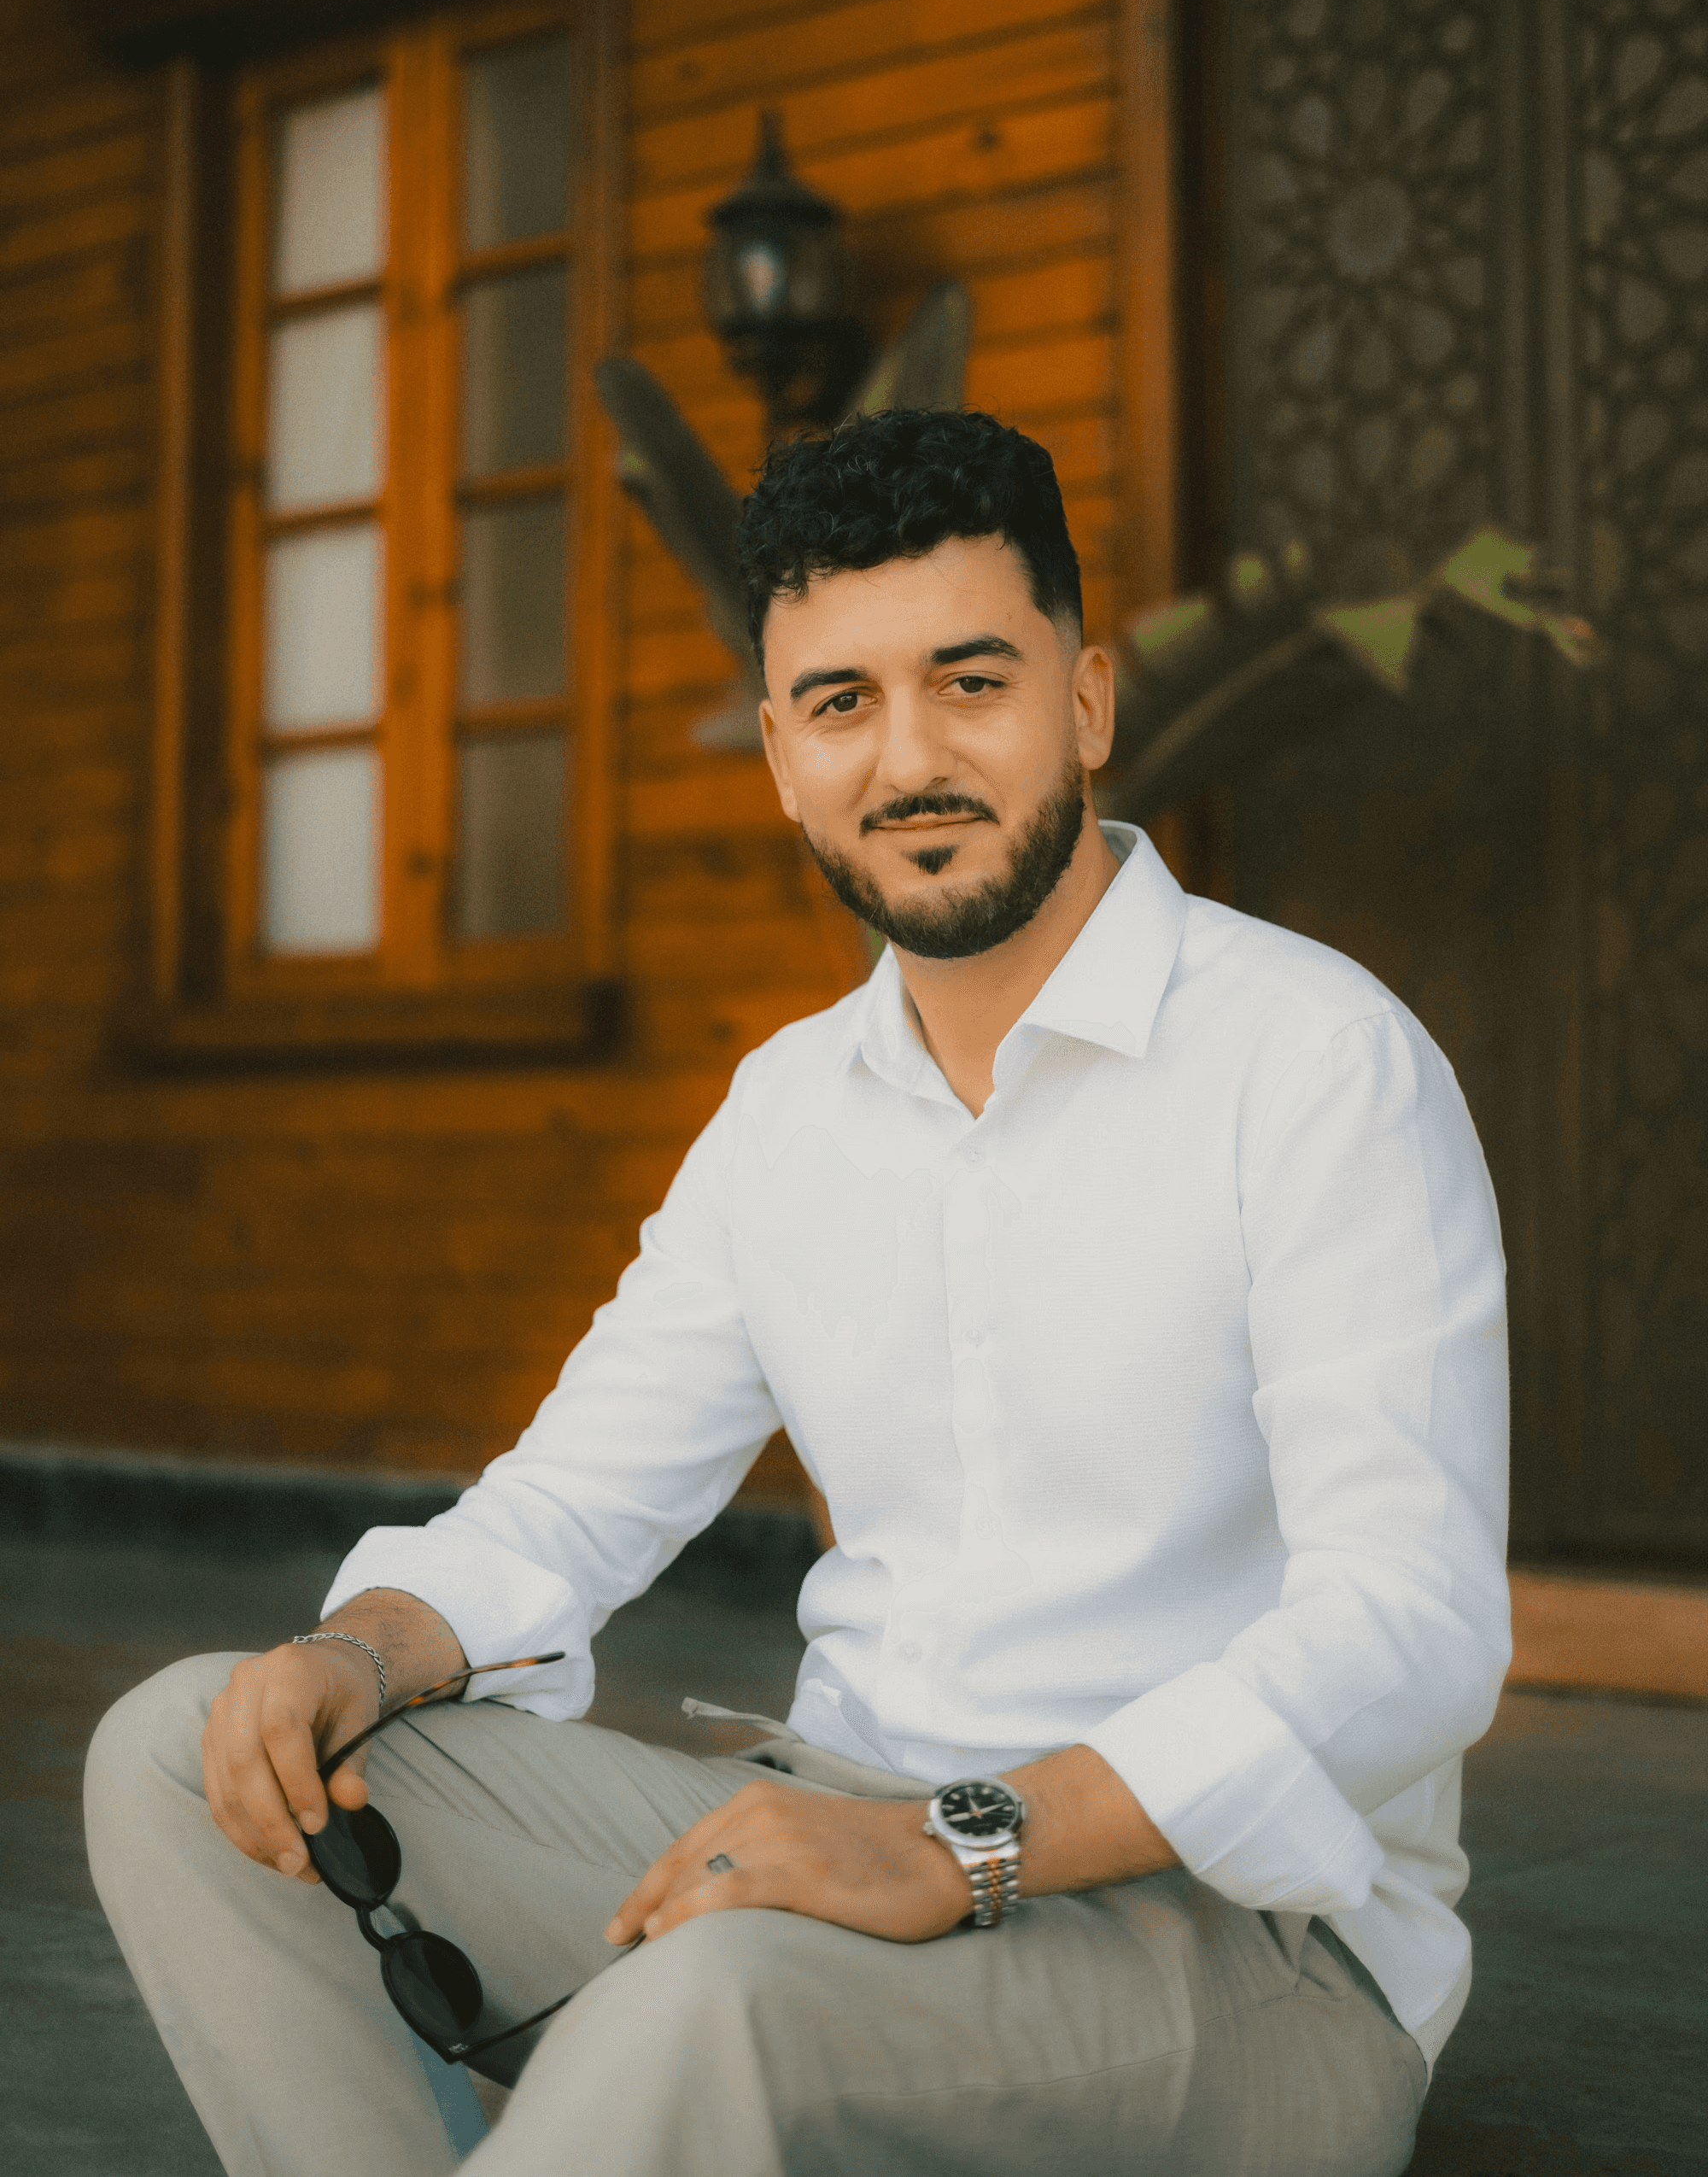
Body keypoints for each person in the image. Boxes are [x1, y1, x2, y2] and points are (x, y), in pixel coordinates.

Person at [86, 409, 1509, 2177]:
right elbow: (570, 1504)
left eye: (967, 682)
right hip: (841, 1844)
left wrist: (957, 1843)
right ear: (780, 754)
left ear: (1084, 701)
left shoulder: (1315, 1064)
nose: (906, 757)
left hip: (1242, 1941)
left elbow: (1413, 1630)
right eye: (842, 704)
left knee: (718, 1999)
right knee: (181, 1759)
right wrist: (353, 1651)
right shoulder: (785, 1112)